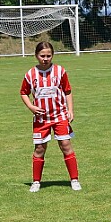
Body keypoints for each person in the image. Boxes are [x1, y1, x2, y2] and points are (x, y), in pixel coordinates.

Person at [21, 41, 80, 192]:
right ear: (36, 55)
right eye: (42, 56)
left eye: (48, 56)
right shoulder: (30, 74)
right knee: (40, 148)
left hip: (59, 116)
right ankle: (36, 182)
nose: (45, 59)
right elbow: (23, 92)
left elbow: (67, 91)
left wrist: (70, 110)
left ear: (52, 55)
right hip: (41, 119)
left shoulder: (60, 71)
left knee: (65, 145)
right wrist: (31, 107)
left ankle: (74, 180)